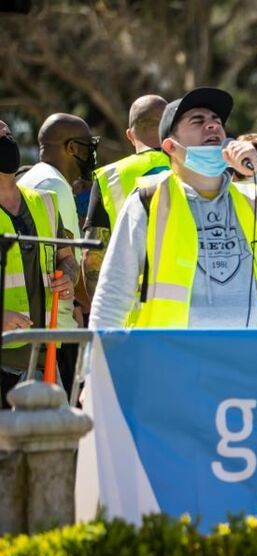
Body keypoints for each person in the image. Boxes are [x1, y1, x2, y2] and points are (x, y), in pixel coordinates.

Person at [88, 87, 257, 329]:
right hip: (173, 360)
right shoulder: (149, 200)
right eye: (197, 121)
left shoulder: (252, 201)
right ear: (170, 146)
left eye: (217, 121)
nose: (213, 126)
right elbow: (113, 293)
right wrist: (97, 362)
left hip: (242, 360)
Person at [0, 120, 79, 404]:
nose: (5, 137)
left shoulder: (44, 201)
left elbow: (67, 258)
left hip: (45, 356)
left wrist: (69, 276)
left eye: (7, 133)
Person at [18, 113, 94, 393]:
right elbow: (69, 257)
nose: (90, 155)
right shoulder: (53, 185)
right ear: (72, 148)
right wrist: (83, 309)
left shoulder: (36, 178)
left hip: (48, 323)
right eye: (87, 146)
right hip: (55, 327)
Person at [83, 95, 170, 300]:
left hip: (128, 313)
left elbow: (92, 257)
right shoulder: (194, 170)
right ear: (171, 128)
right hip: (185, 310)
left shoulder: (110, 177)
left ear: (130, 136)